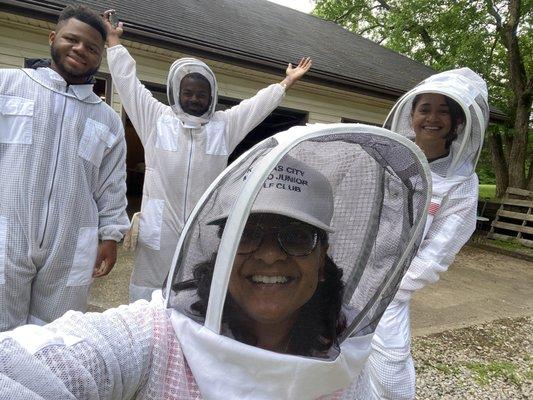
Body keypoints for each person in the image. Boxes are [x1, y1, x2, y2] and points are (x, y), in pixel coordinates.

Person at [0, 124, 431, 399]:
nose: (268, 253)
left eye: (296, 236)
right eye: (246, 232)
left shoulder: (342, 360)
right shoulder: (157, 337)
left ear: (323, 260)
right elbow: (35, 365)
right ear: (220, 248)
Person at [101, 10, 313, 302]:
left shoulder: (222, 127)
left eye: (201, 94)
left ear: (210, 96)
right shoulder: (156, 118)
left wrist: (285, 83)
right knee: (148, 289)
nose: (194, 98)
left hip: (203, 224)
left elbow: (255, 107)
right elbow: (127, 84)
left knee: (196, 285)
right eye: (188, 92)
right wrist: (113, 42)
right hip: (160, 224)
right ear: (177, 92)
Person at [363, 68, 490, 399]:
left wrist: (392, 289)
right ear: (412, 114)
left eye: (444, 110)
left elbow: (438, 253)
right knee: (332, 352)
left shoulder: (461, 183)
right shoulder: (387, 154)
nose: (432, 118)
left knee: (390, 367)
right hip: (350, 272)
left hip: (391, 290)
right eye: (425, 109)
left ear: (458, 122)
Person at [0, 5, 129, 331]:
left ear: (100, 58)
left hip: (71, 242)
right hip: (8, 229)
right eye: (72, 39)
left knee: (55, 332)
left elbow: (111, 184)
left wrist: (110, 235)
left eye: (91, 47)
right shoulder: (8, 86)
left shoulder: (107, 120)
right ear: (53, 37)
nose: (80, 50)